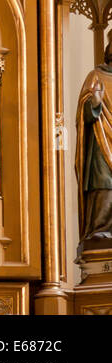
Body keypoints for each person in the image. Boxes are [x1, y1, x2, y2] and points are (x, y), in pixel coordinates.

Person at [76, 42, 112, 251]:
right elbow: (84, 112)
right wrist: (95, 103)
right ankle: (100, 228)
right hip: (101, 140)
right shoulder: (95, 76)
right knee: (104, 183)